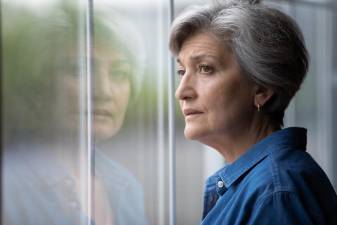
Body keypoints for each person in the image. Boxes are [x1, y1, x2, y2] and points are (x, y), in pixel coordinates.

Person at [169, 0, 337, 224]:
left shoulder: (276, 195)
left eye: (206, 69)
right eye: (182, 71)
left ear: (262, 89)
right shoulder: (265, 185)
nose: (181, 92)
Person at [2, 3, 147, 225]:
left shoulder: (128, 187)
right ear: (39, 84)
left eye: (119, 73)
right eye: (79, 70)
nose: (103, 92)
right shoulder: (10, 185)